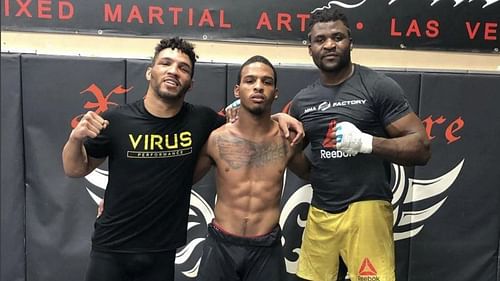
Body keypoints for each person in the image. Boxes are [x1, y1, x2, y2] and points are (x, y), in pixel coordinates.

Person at [62, 37, 304, 281]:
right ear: (149, 72)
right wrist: (75, 139)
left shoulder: (202, 121)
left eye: (183, 68)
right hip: (112, 246)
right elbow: (75, 169)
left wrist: (277, 118)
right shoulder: (117, 120)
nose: (173, 71)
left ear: (190, 83)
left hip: (162, 251)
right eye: (166, 63)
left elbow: (250, 125)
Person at [288, 8, 431, 281]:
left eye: (337, 37)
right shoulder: (303, 101)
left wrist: (367, 142)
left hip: (367, 210)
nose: (329, 44)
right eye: (320, 39)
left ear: (350, 41)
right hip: (321, 211)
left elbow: (422, 147)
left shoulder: (377, 86)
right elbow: (298, 158)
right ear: (309, 48)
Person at [193, 55, 311, 281]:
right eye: (250, 81)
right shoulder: (217, 140)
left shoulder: (286, 141)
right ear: (237, 90)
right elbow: (178, 181)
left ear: (275, 92)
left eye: (266, 82)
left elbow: (312, 174)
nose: (258, 86)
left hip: (266, 248)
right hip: (221, 245)